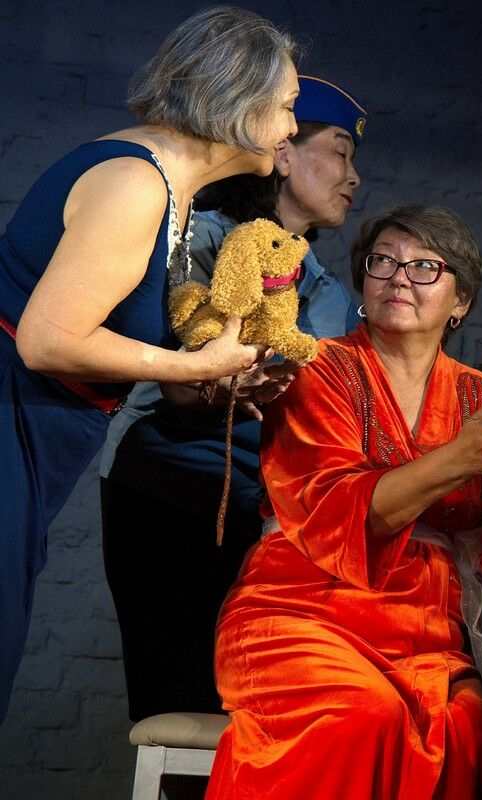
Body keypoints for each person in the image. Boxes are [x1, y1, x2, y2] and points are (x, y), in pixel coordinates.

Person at [204, 204, 482, 799]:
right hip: (305, 608)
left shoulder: (478, 393)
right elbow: (337, 513)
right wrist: (461, 458)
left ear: (461, 301)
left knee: (470, 726)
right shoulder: (318, 370)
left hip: (426, 630)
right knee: (364, 715)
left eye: (424, 267)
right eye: (384, 262)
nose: (399, 278)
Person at [0, 4, 297, 722]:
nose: (292, 127)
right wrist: (194, 367)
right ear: (239, 99)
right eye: (287, 105)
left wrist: (212, 375)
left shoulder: (170, 186)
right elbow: (46, 340)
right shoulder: (136, 182)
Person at [99, 73, 367, 721]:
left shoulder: (331, 294)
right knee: (178, 705)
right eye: (340, 151)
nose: (354, 177)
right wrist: (218, 379)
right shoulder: (203, 237)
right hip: (171, 491)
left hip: (269, 519)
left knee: (253, 715)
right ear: (283, 152)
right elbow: (176, 377)